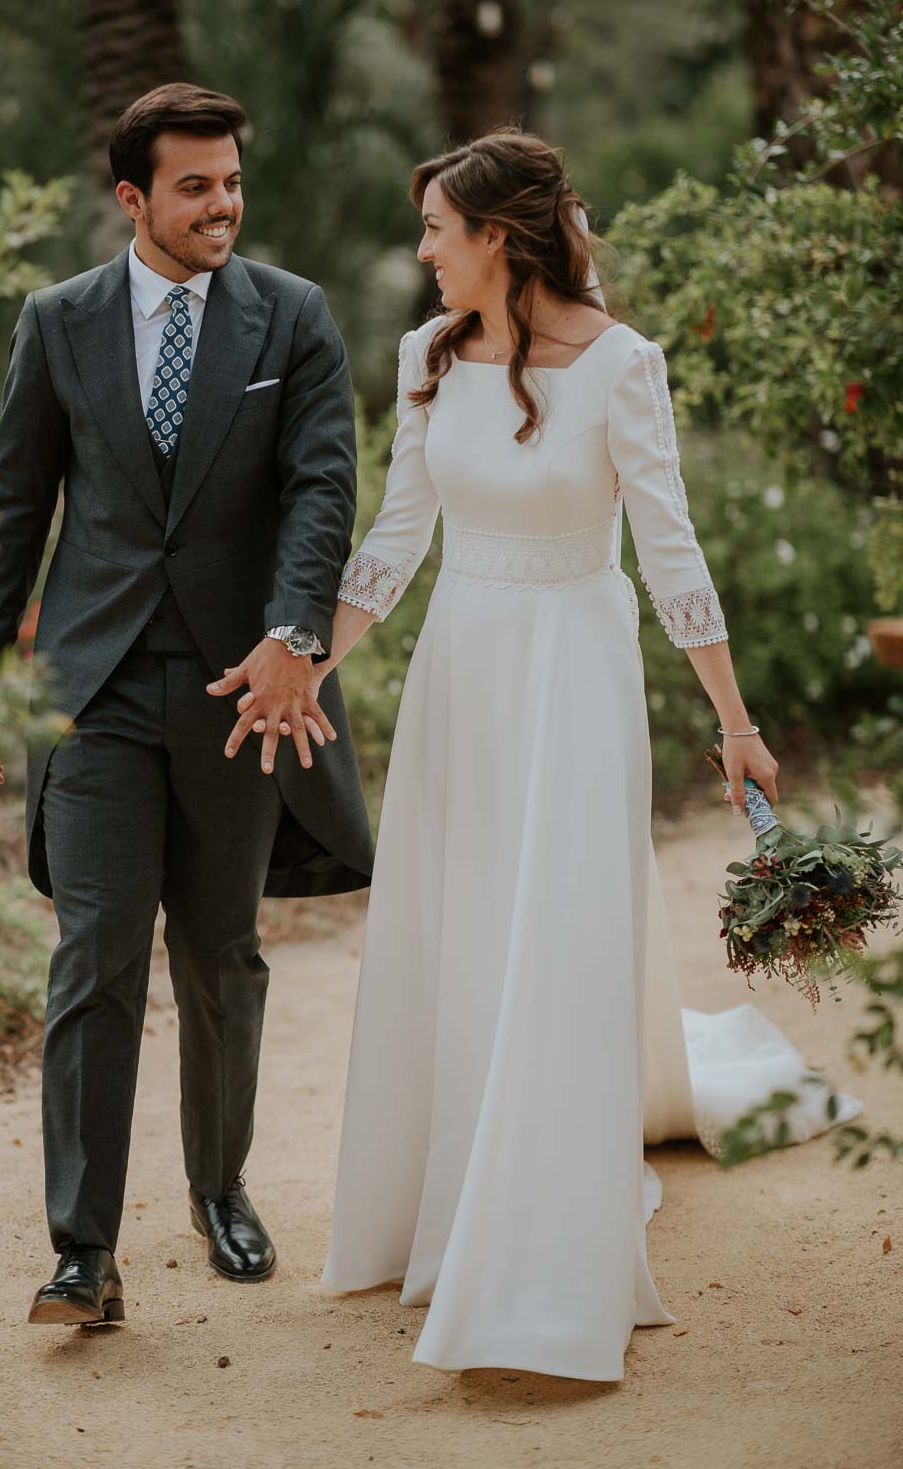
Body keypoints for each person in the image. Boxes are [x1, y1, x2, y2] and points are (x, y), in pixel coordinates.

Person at [312, 128, 845, 1381]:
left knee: (551, 932)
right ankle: (440, 1194)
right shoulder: (425, 359)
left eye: (439, 228)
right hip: (463, 671)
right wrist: (306, 662)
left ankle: (539, 1236)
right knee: (465, 927)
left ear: (500, 236)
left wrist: (735, 724)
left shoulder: (622, 365)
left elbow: (672, 551)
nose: (424, 251)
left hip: (576, 670)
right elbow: (394, 543)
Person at [0, 82, 373, 1325]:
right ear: (133, 196)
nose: (223, 204)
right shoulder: (60, 320)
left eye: (233, 181)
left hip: (239, 690)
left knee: (221, 958)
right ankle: (82, 1248)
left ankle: (221, 1186)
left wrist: (296, 634)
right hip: (90, 694)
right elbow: (11, 506)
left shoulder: (292, 317)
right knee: (94, 957)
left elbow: (320, 490)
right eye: (195, 185)